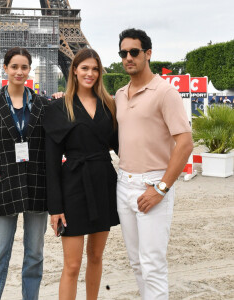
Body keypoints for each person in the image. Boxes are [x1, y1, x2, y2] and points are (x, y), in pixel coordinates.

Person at [115, 28, 193, 300]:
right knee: (137, 262)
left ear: (148, 53)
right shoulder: (120, 94)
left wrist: (161, 188)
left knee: (153, 265)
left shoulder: (165, 92)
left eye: (134, 52)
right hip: (123, 183)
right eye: (123, 53)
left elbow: (185, 144)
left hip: (152, 184)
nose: (128, 57)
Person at [43, 48, 119, 300]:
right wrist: (55, 207)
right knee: (72, 265)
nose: (90, 73)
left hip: (103, 182)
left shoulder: (109, 105)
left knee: (96, 257)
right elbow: (51, 162)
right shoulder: (58, 107)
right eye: (85, 68)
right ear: (74, 69)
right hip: (73, 186)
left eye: (95, 69)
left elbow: (123, 146)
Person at [0, 47, 48, 300]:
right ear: (5, 68)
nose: (19, 71)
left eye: (24, 67)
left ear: (30, 70)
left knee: (35, 257)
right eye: (14, 66)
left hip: (37, 187)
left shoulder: (44, 105)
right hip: (3, 188)